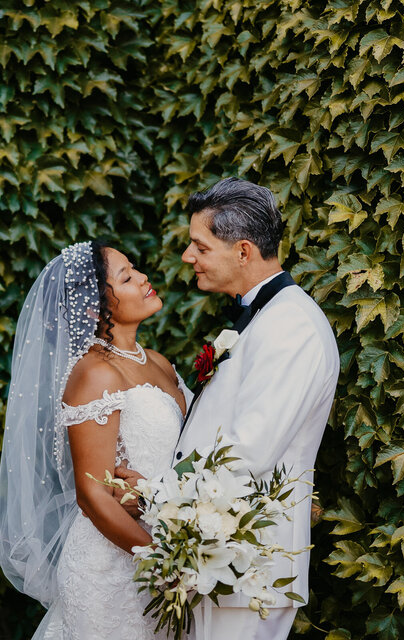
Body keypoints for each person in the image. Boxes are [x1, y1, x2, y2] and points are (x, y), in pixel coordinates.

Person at [120, 177, 339, 640]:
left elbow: (246, 455)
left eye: (199, 246)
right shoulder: (265, 317)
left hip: (247, 568)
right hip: (223, 564)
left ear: (243, 252)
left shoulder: (290, 327)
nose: (187, 257)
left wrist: (155, 495)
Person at [0, 240, 190, 640]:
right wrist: (163, 561)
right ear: (92, 309)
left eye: (135, 268)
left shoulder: (158, 362)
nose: (143, 278)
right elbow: (93, 492)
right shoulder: (96, 373)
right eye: (127, 277)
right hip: (116, 570)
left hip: (169, 541)